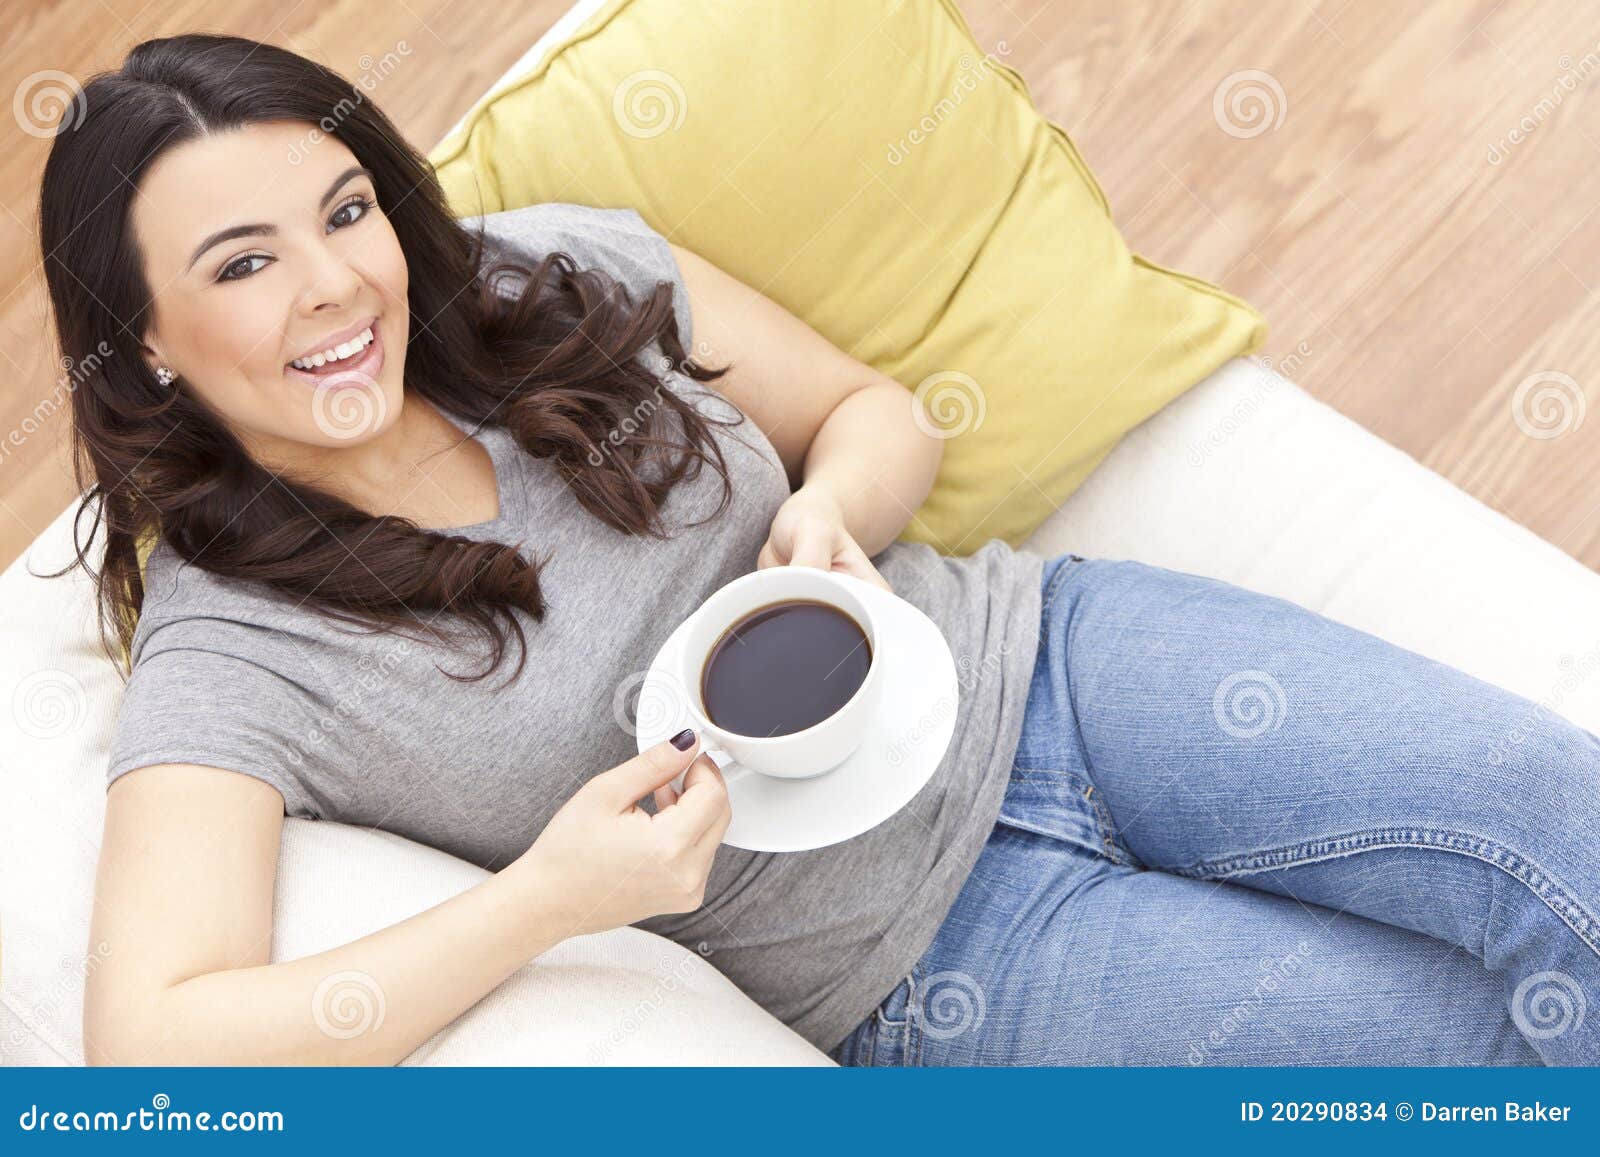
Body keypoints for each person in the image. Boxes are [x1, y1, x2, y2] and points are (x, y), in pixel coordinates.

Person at [44, 35, 1596, 1067]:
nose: (334, 285)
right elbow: (152, 1048)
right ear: (147, 342)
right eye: (242, 264)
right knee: (1469, 1049)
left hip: (1054, 666)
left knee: (1559, 822)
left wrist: (833, 506)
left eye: (346, 211)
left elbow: (873, 412)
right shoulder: (233, 647)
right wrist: (549, 899)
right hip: (931, 959)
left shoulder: (547, 272)